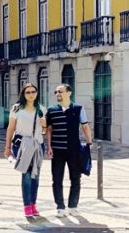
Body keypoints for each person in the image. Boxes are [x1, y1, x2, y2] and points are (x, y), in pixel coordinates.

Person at [46, 83, 92, 217]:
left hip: (74, 150)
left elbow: (85, 126)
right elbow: (49, 129)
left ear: (69, 93)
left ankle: (73, 206)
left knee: (75, 179)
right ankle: (60, 207)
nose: (57, 94)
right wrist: (49, 146)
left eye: (60, 91)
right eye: (56, 92)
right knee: (57, 179)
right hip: (57, 150)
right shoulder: (51, 110)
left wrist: (89, 142)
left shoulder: (78, 108)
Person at [6, 81, 46, 218]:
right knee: (27, 174)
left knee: (35, 175)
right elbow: (11, 128)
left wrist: (45, 125)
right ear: (23, 94)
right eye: (27, 92)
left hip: (38, 144)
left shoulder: (41, 109)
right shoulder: (17, 108)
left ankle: (33, 204)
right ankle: (27, 205)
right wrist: (7, 147)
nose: (31, 94)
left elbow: (46, 131)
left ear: (37, 93)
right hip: (22, 144)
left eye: (33, 92)